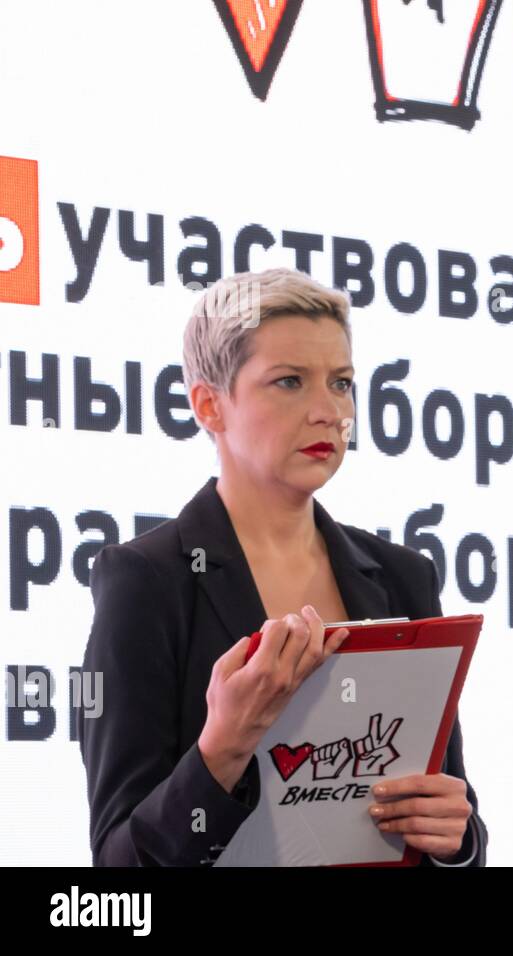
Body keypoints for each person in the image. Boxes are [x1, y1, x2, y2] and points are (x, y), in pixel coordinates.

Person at [79, 267, 486, 866]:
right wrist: (221, 750)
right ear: (209, 405)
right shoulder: (146, 581)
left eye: (342, 383)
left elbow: (451, 814)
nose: (329, 411)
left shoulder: (403, 575)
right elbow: (117, 866)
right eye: (290, 381)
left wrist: (458, 840)